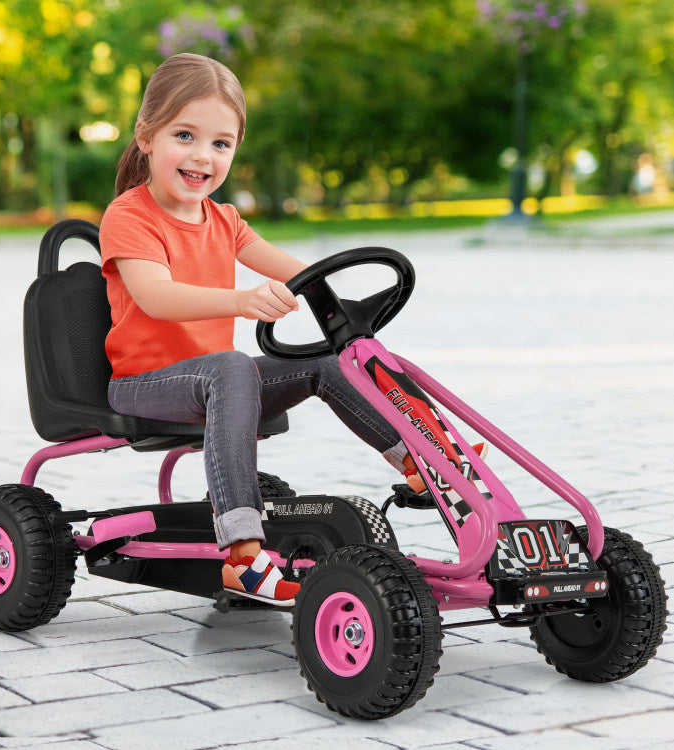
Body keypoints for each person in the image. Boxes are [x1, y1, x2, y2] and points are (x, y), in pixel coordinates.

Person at [100, 53, 450, 606]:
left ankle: (419, 464)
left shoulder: (225, 219)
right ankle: (241, 553)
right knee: (233, 366)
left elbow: (294, 271)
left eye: (221, 144)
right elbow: (155, 296)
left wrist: (345, 306)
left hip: (217, 381)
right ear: (146, 136)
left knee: (326, 361)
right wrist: (242, 302)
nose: (202, 156)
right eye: (185, 135)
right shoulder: (130, 215)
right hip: (146, 382)